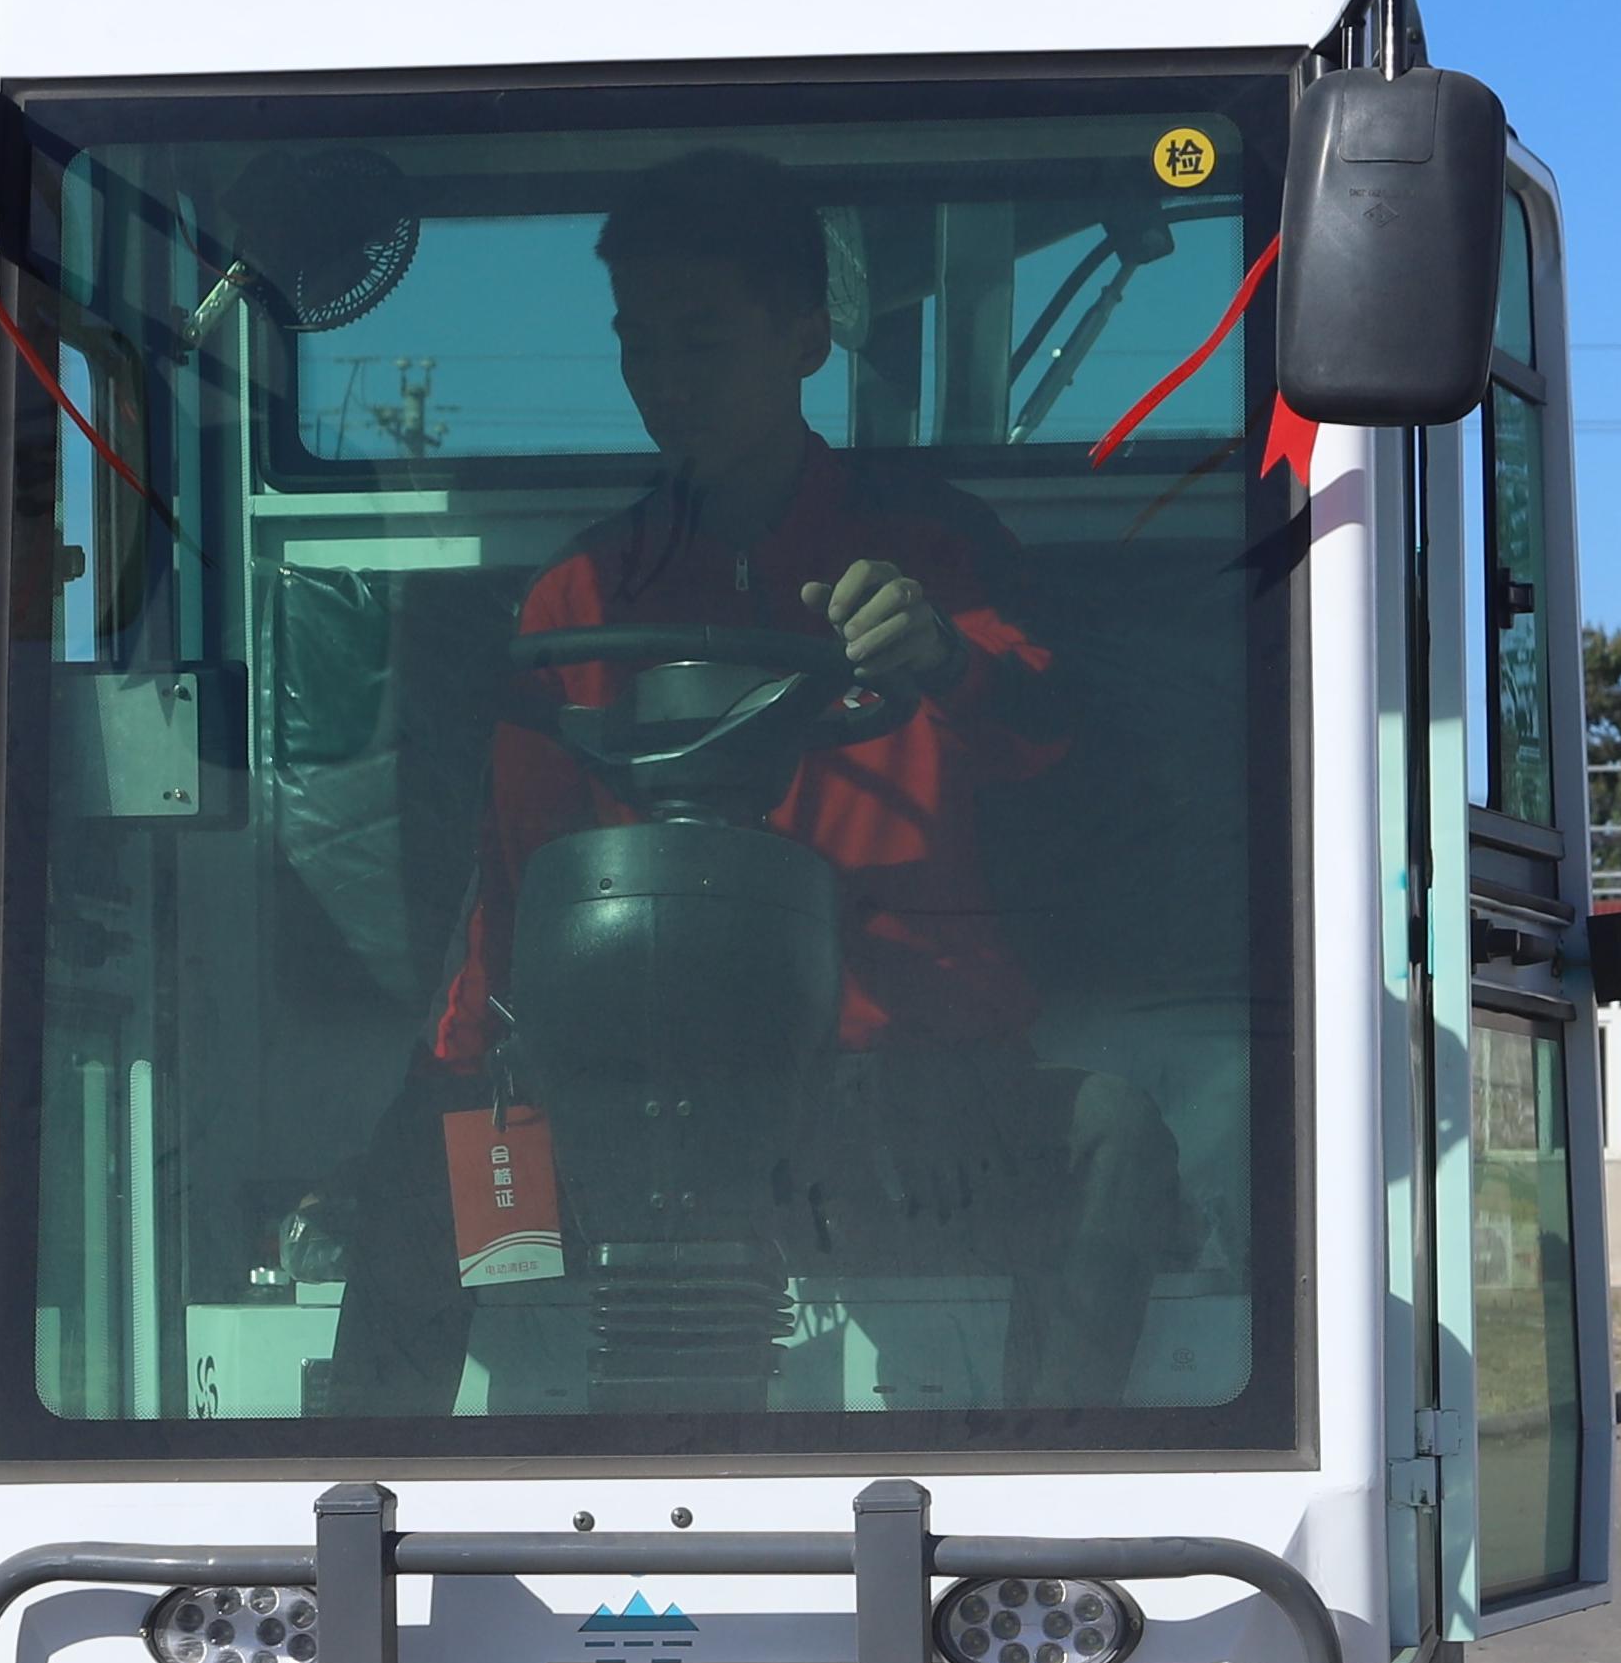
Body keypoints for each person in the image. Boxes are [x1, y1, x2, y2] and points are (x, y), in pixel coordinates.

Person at [324, 150, 1185, 1418]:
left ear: (803, 336)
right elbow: (514, 872)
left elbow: (1060, 741)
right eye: (638, 342)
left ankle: (1041, 1507)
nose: (663, 380)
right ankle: (358, 1525)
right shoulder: (580, 595)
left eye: (702, 338)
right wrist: (470, 1080)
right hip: (628, 1114)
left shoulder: (938, 557)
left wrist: (941, 651)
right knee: (420, 1166)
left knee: (1114, 1133)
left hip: (891, 1113)